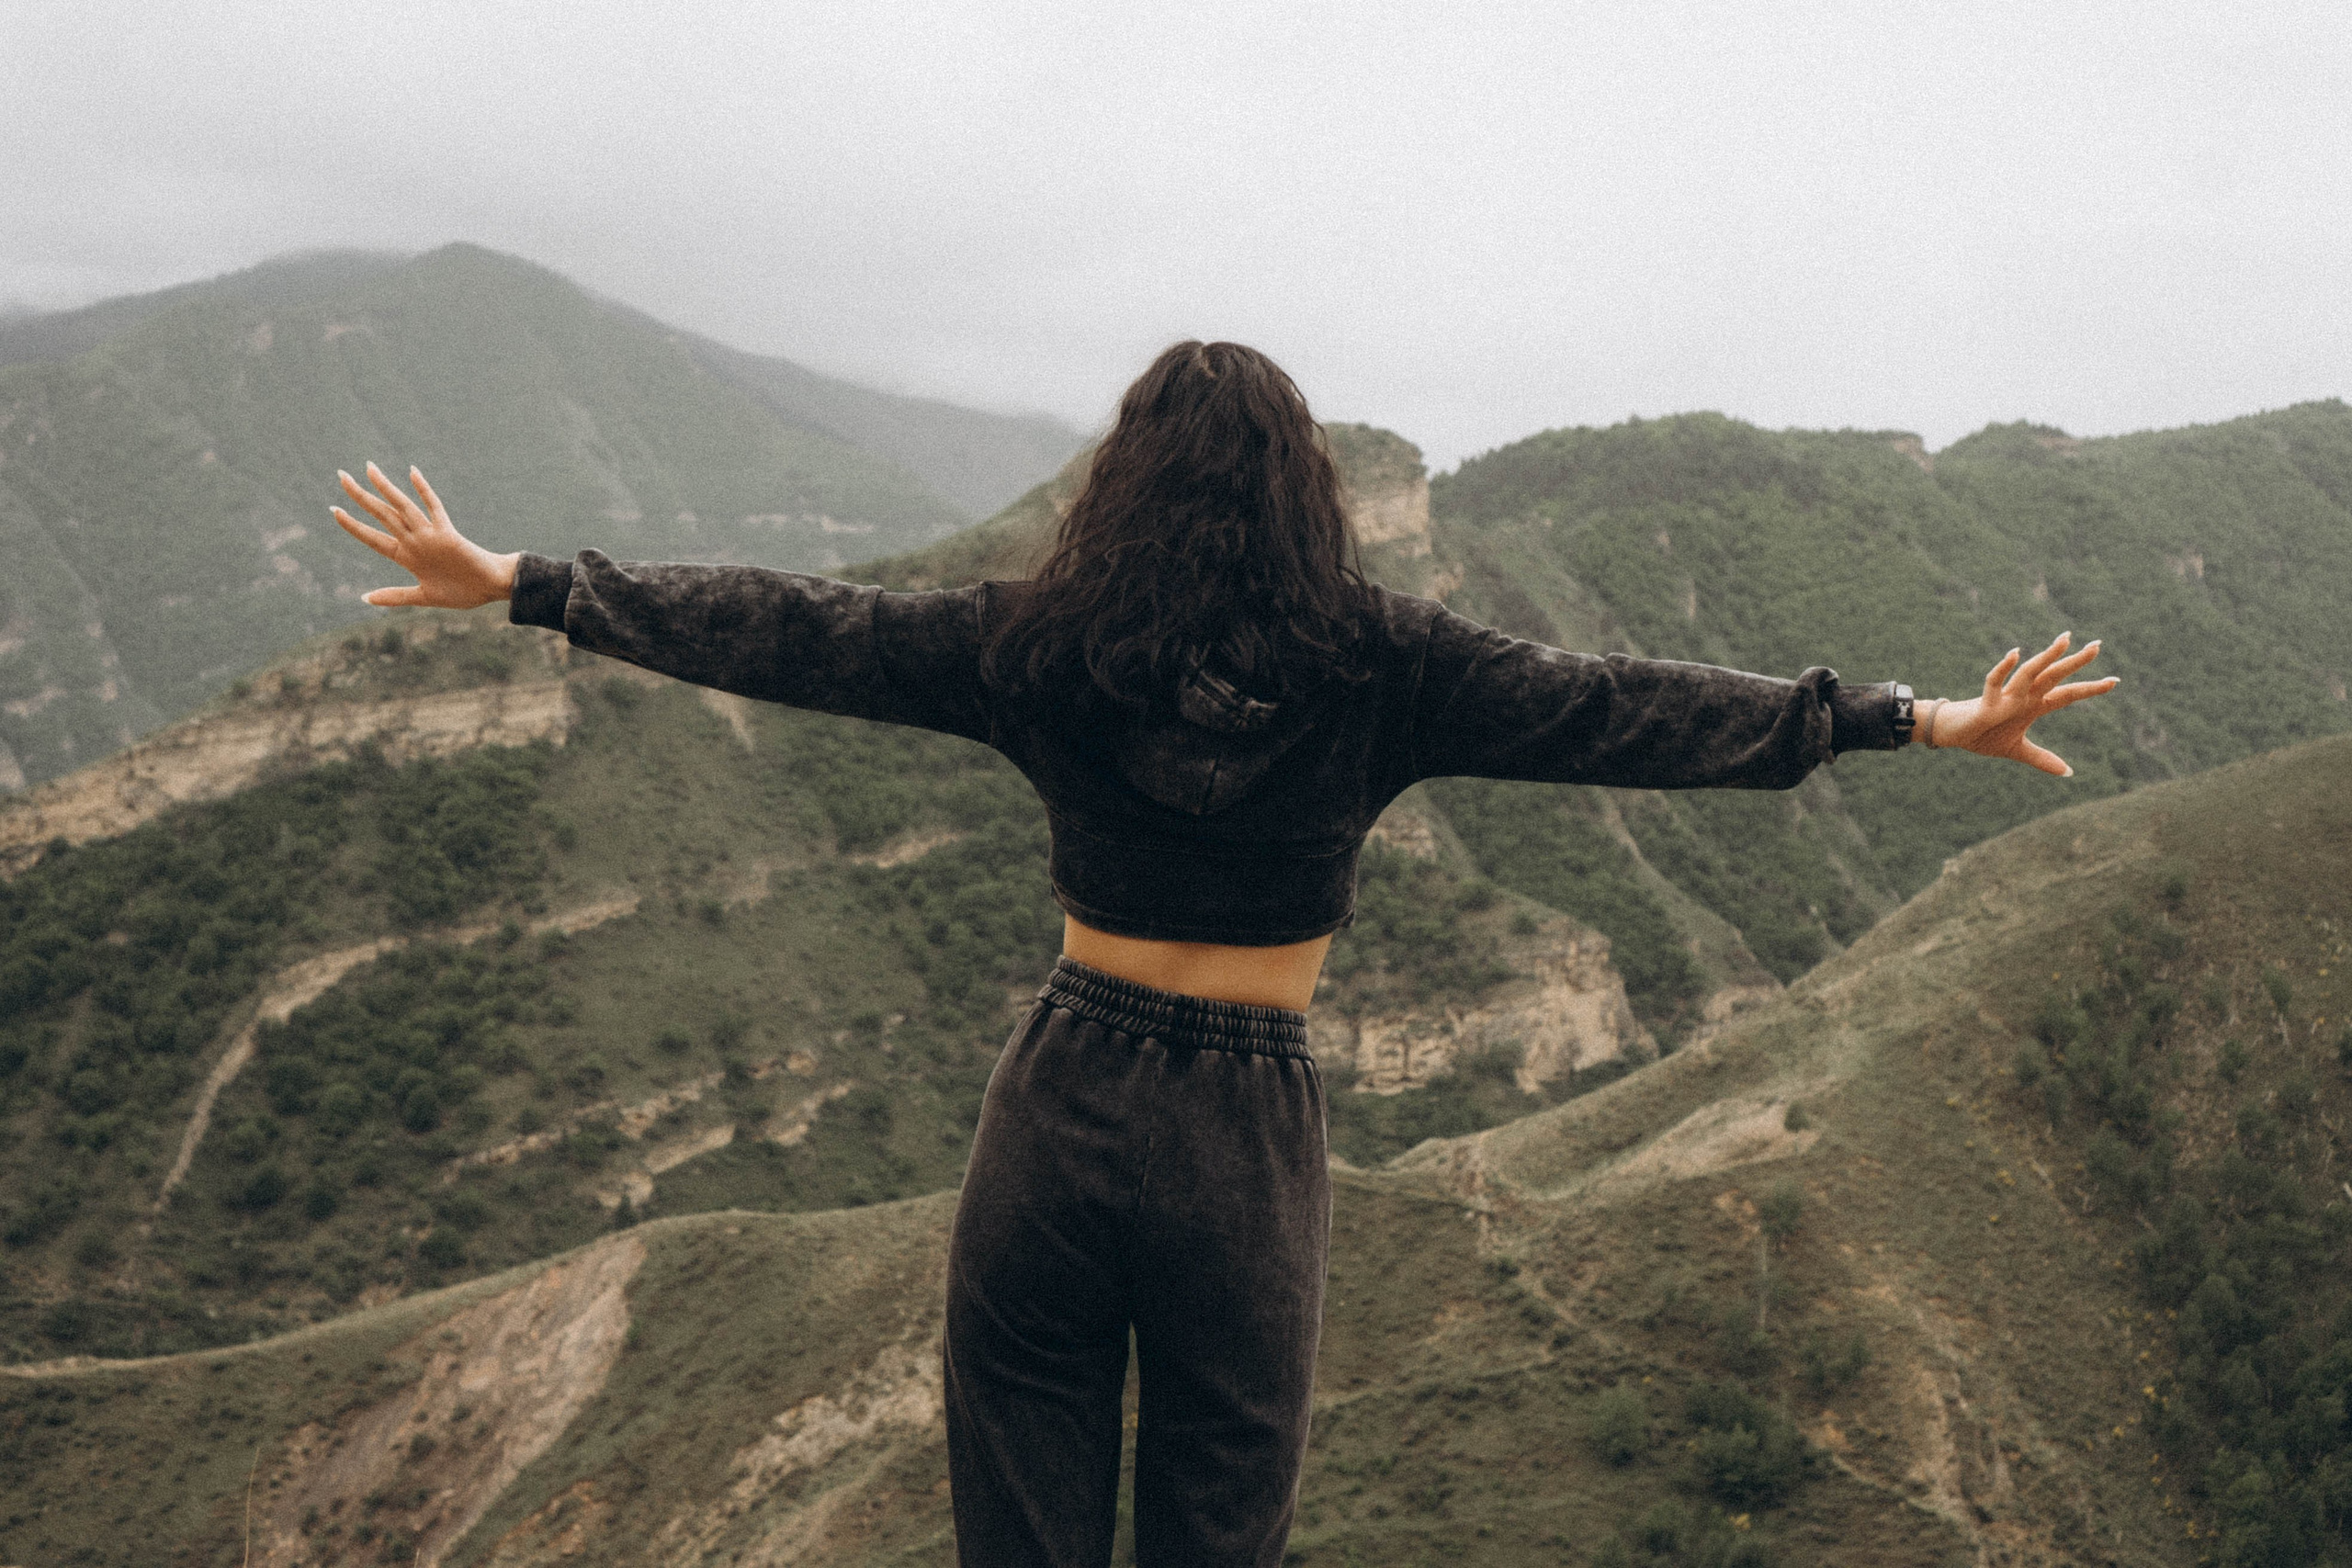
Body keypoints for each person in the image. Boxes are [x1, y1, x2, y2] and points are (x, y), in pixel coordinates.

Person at [330, 340, 2115, 1566]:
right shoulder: (1381, 657)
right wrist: (1904, 716)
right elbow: (1617, 708)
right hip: (1239, 1143)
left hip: (1056, 1101)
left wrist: (529, 580)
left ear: (1121, 488)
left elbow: (805, 631)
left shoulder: (1037, 638)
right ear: (1302, 493)